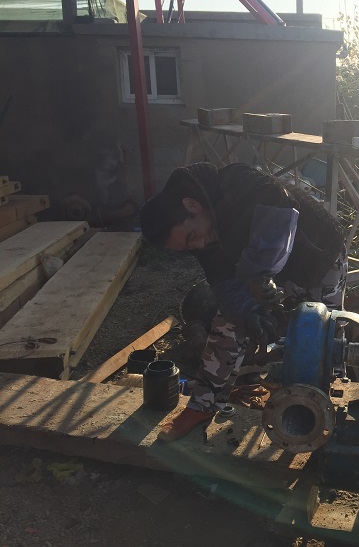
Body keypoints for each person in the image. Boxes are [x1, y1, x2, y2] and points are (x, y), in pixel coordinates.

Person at [140, 162, 347, 441]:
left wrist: (258, 275)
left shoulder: (238, 182)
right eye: (188, 247)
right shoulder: (204, 239)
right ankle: (202, 405)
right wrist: (249, 313)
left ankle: (322, 411)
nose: (198, 246)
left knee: (326, 336)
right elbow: (225, 286)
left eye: (191, 237)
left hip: (320, 258)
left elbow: (280, 211)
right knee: (227, 324)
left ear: (192, 205)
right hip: (265, 273)